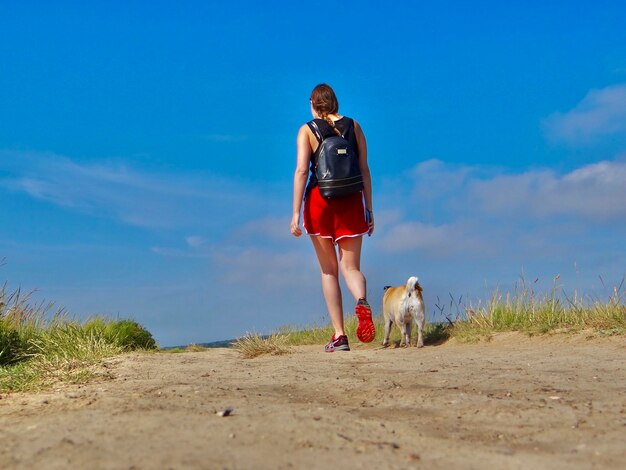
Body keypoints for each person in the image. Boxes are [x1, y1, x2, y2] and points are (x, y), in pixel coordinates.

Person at [290, 83, 375, 352]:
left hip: (320, 202)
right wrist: (369, 208)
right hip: (350, 201)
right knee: (351, 268)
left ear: (314, 103)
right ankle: (361, 300)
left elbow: (302, 171)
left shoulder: (307, 130)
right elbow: (364, 170)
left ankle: (340, 336)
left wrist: (294, 213)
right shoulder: (355, 126)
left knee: (329, 271)